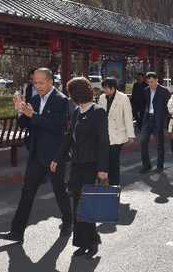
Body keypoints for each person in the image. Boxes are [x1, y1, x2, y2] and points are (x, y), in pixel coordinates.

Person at [0, 68, 72, 244]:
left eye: (41, 82)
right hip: (36, 155)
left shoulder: (61, 100)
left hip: (54, 155)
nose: (37, 86)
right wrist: (20, 111)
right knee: (27, 192)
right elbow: (24, 123)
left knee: (59, 190)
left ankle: (68, 222)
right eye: (35, 82)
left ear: (50, 82)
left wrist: (32, 114)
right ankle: (17, 232)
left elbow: (56, 125)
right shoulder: (34, 99)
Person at [51, 77, 109, 260]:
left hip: (92, 165)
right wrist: (57, 158)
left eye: (71, 93)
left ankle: (92, 242)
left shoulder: (98, 112)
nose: (69, 97)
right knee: (77, 204)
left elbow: (104, 141)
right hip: (77, 164)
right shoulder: (77, 111)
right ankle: (81, 243)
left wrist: (103, 169)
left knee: (86, 205)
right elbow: (69, 136)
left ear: (78, 93)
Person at [98, 78, 135, 186]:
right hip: (105, 133)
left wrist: (130, 134)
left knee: (113, 159)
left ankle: (114, 183)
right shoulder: (102, 98)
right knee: (105, 158)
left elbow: (128, 116)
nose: (105, 89)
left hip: (118, 134)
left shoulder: (123, 98)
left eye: (107, 87)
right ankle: (107, 180)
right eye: (104, 87)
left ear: (113, 87)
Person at [140, 72, 170, 173]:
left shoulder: (164, 91)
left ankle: (159, 165)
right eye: (148, 82)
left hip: (158, 119)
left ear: (157, 80)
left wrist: (162, 116)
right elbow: (146, 103)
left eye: (152, 82)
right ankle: (146, 165)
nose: (150, 84)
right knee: (143, 142)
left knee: (159, 144)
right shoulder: (146, 90)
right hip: (148, 118)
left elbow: (167, 106)